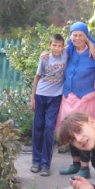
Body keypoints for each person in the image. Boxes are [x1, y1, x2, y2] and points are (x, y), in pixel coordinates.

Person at [57, 22, 95, 179]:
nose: (77, 38)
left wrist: (91, 43)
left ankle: (84, 167)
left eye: (81, 35)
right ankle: (75, 164)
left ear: (86, 36)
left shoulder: (94, 52)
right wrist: (44, 55)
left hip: (86, 98)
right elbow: (54, 52)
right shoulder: (68, 51)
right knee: (70, 131)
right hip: (69, 98)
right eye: (74, 35)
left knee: (83, 132)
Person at [30, 34, 67, 177]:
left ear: (63, 46)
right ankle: (36, 162)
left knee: (49, 128)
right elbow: (37, 77)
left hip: (56, 97)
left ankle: (46, 164)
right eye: (54, 45)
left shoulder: (66, 55)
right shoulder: (44, 58)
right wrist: (32, 97)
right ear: (49, 45)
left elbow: (78, 43)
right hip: (41, 95)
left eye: (59, 45)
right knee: (38, 127)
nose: (57, 48)